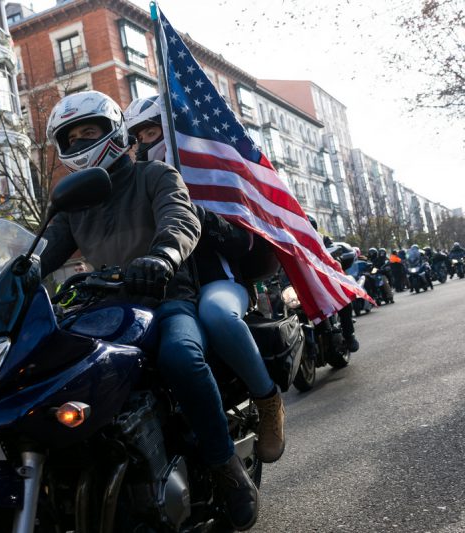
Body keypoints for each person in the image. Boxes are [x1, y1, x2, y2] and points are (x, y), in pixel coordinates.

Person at [43, 91, 258, 530]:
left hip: (166, 299)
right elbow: (39, 253)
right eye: (72, 136)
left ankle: (227, 470)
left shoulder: (155, 175)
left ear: (114, 132)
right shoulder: (71, 202)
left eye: (90, 131)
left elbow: (181, 221)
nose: (81, 141)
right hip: (104, 313)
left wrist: (161, 258)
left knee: (181, 357)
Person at [124, 96, 285, 464]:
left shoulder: (207, 170)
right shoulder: (139, 183)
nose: (147, 141)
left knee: (216, 314)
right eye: (140, 136)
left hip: (217, 282)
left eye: (153, 131)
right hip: (166, 292)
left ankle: (268, 401)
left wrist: (193, 213)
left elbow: (241, 241)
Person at [308, 216, 358, 352]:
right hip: (307, 284)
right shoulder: (289, 241)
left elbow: (333, 256)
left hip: (324, 280)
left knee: (344, 301)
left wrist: (335, 260)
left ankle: (349, 335)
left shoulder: (323, 239)